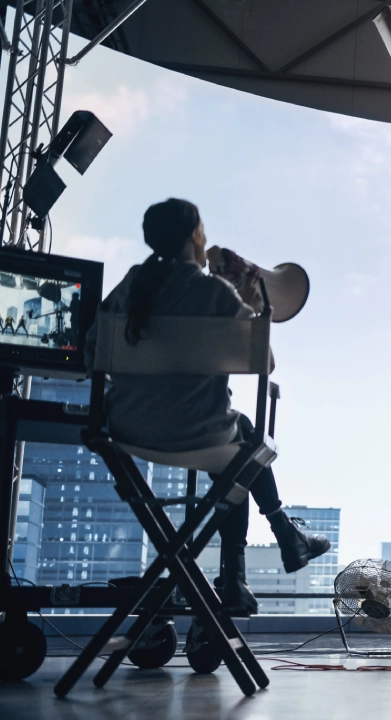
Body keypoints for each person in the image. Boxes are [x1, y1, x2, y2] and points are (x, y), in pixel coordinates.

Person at [84, 198, 329, 614]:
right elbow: (264, 364)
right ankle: (255, 560)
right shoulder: (213, 292)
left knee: (238, 441)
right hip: (204, 434)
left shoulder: (130, 287)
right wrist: (254, 308)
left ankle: (250, 569)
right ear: (194, 235)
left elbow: (92, 355)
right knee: (243, 445)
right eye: (202, 229)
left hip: (125, 432)